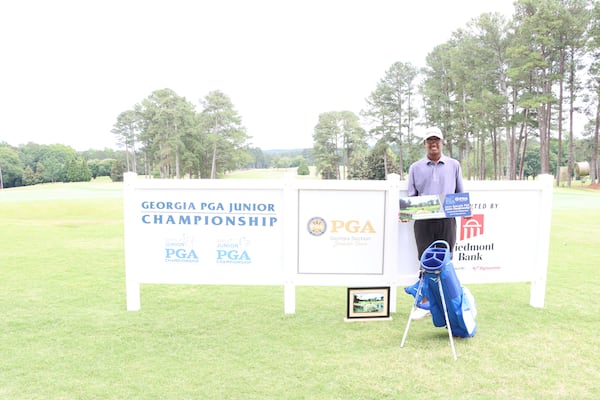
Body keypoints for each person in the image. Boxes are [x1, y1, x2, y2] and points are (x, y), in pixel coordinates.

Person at [401, 126, 464, 320]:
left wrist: (465, 209)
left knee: (446, 260)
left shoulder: (454, 165)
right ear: (425, 144)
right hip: (423, 222)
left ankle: (447, 302)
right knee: (425, 260)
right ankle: (425, 303)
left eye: (437, 140)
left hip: (447, 220)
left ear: (442, 142)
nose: (433, 143)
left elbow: (459, 193)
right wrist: (406, 213)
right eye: (430, 140)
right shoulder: (415, 167)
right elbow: (412, 197)